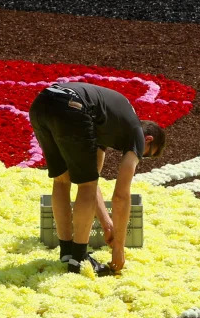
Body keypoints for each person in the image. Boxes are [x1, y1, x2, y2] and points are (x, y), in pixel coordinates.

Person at [28, 81, 165, 276]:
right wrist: (119, 247)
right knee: (85, 184)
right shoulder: (136, 134)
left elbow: (95, 179)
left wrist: (107, 223)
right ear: (148, 139)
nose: (143, 158)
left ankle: (67, 252)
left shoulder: (107, 124)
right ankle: (79, 257)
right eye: (148, 154)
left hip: (42, 103)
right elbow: (120, 196)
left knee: (62, 179)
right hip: (72, 106)